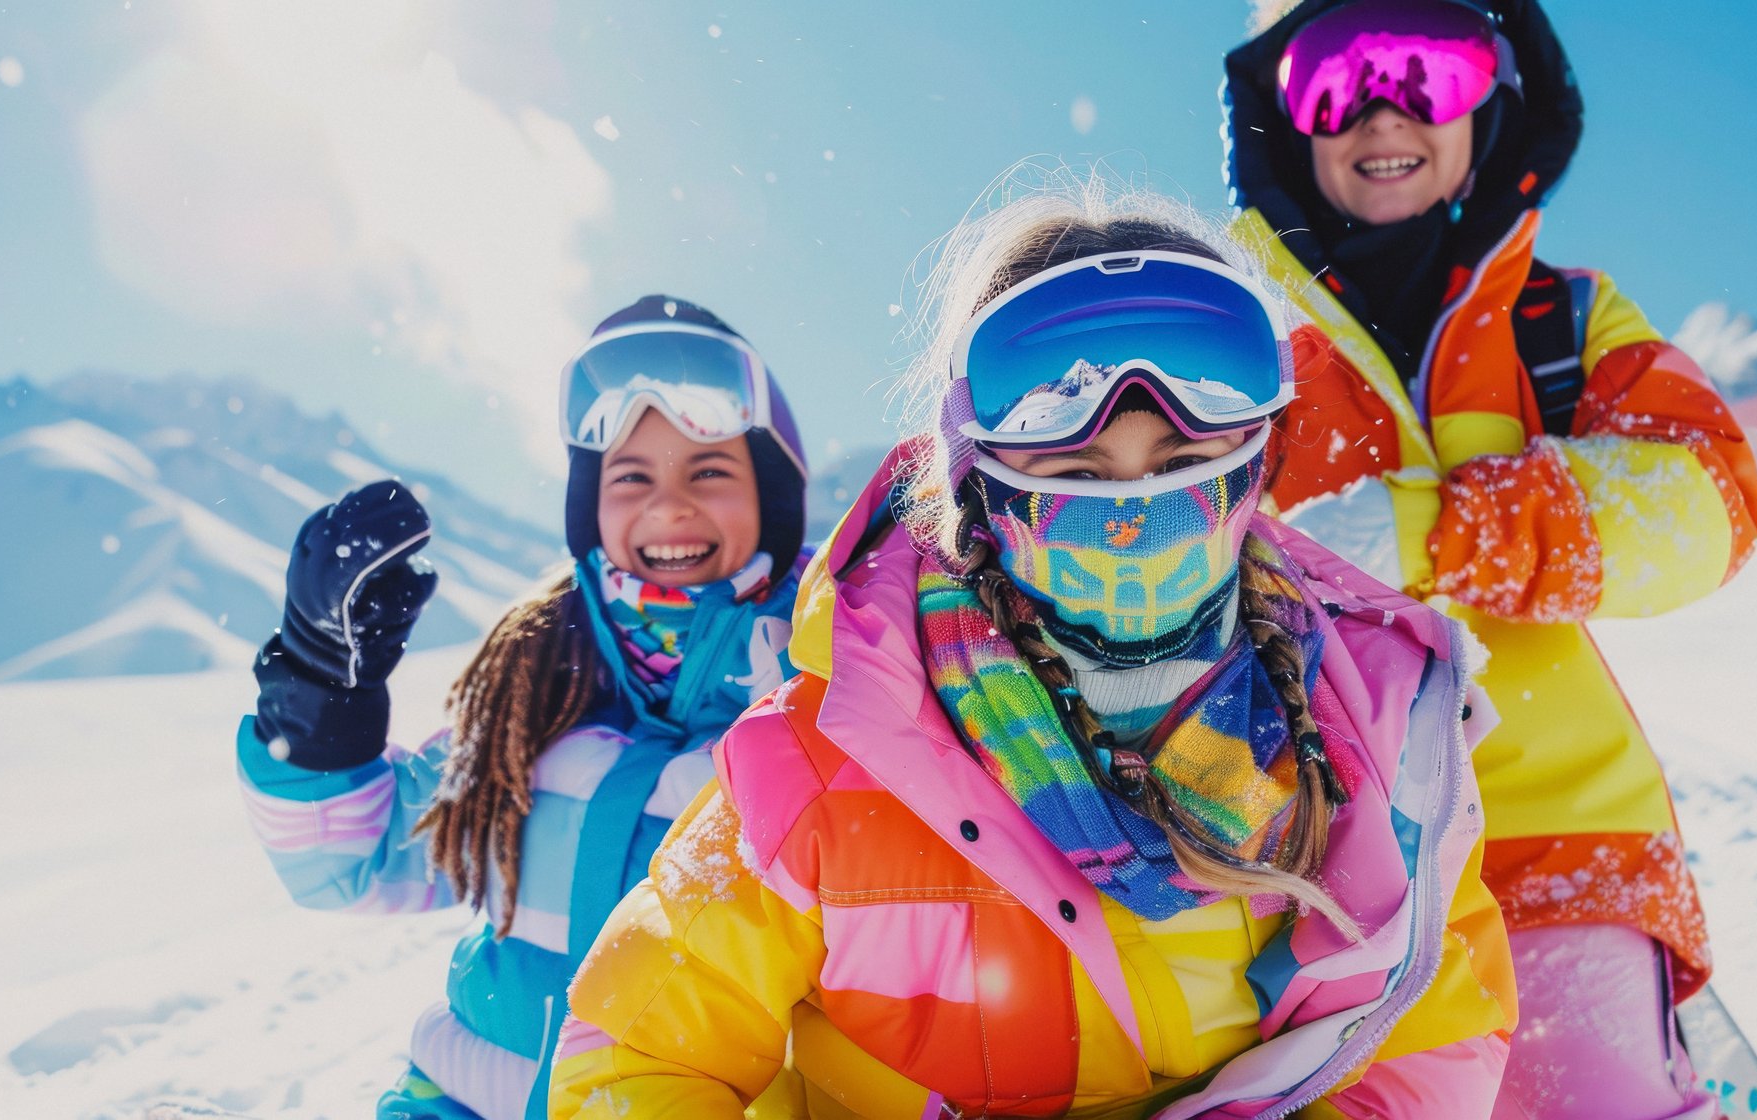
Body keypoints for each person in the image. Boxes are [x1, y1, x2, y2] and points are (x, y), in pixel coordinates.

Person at [550, 187, 1515, 1119]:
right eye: (1077, 476)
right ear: (983, 493)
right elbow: (639, 1048)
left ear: (1256, 463)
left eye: (1183, 469)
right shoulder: (828, 760)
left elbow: (1430, 1036)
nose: (1135, 517)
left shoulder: (1371, 735)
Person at [1222, 2, 1757, 1115]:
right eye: (1334, 74)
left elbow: (1706, 500)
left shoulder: (1556, 325)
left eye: (1426, 66)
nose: (1383, 109)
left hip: (1569, 852)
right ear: (1279, 116)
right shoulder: (1257, 391)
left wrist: (1434, 530)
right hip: (1349, 902)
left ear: (1494, 91)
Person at [233, 295, 810, 1119]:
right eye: (631, 476)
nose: (669, 504)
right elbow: (351, 867)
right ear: (588, 505)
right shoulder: (536, 685)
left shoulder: (827, 682)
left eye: (709, 470)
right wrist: (321, 688)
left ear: (775, 496)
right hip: (470, 1098)